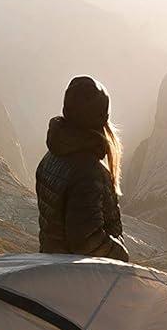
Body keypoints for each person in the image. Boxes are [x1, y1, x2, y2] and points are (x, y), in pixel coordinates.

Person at [36, 75, 129, 261]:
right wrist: (121, 255)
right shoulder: (88, 173)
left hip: (53, 267)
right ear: (102, 118)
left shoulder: (54, 155)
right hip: (81, 277)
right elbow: (86, 240)